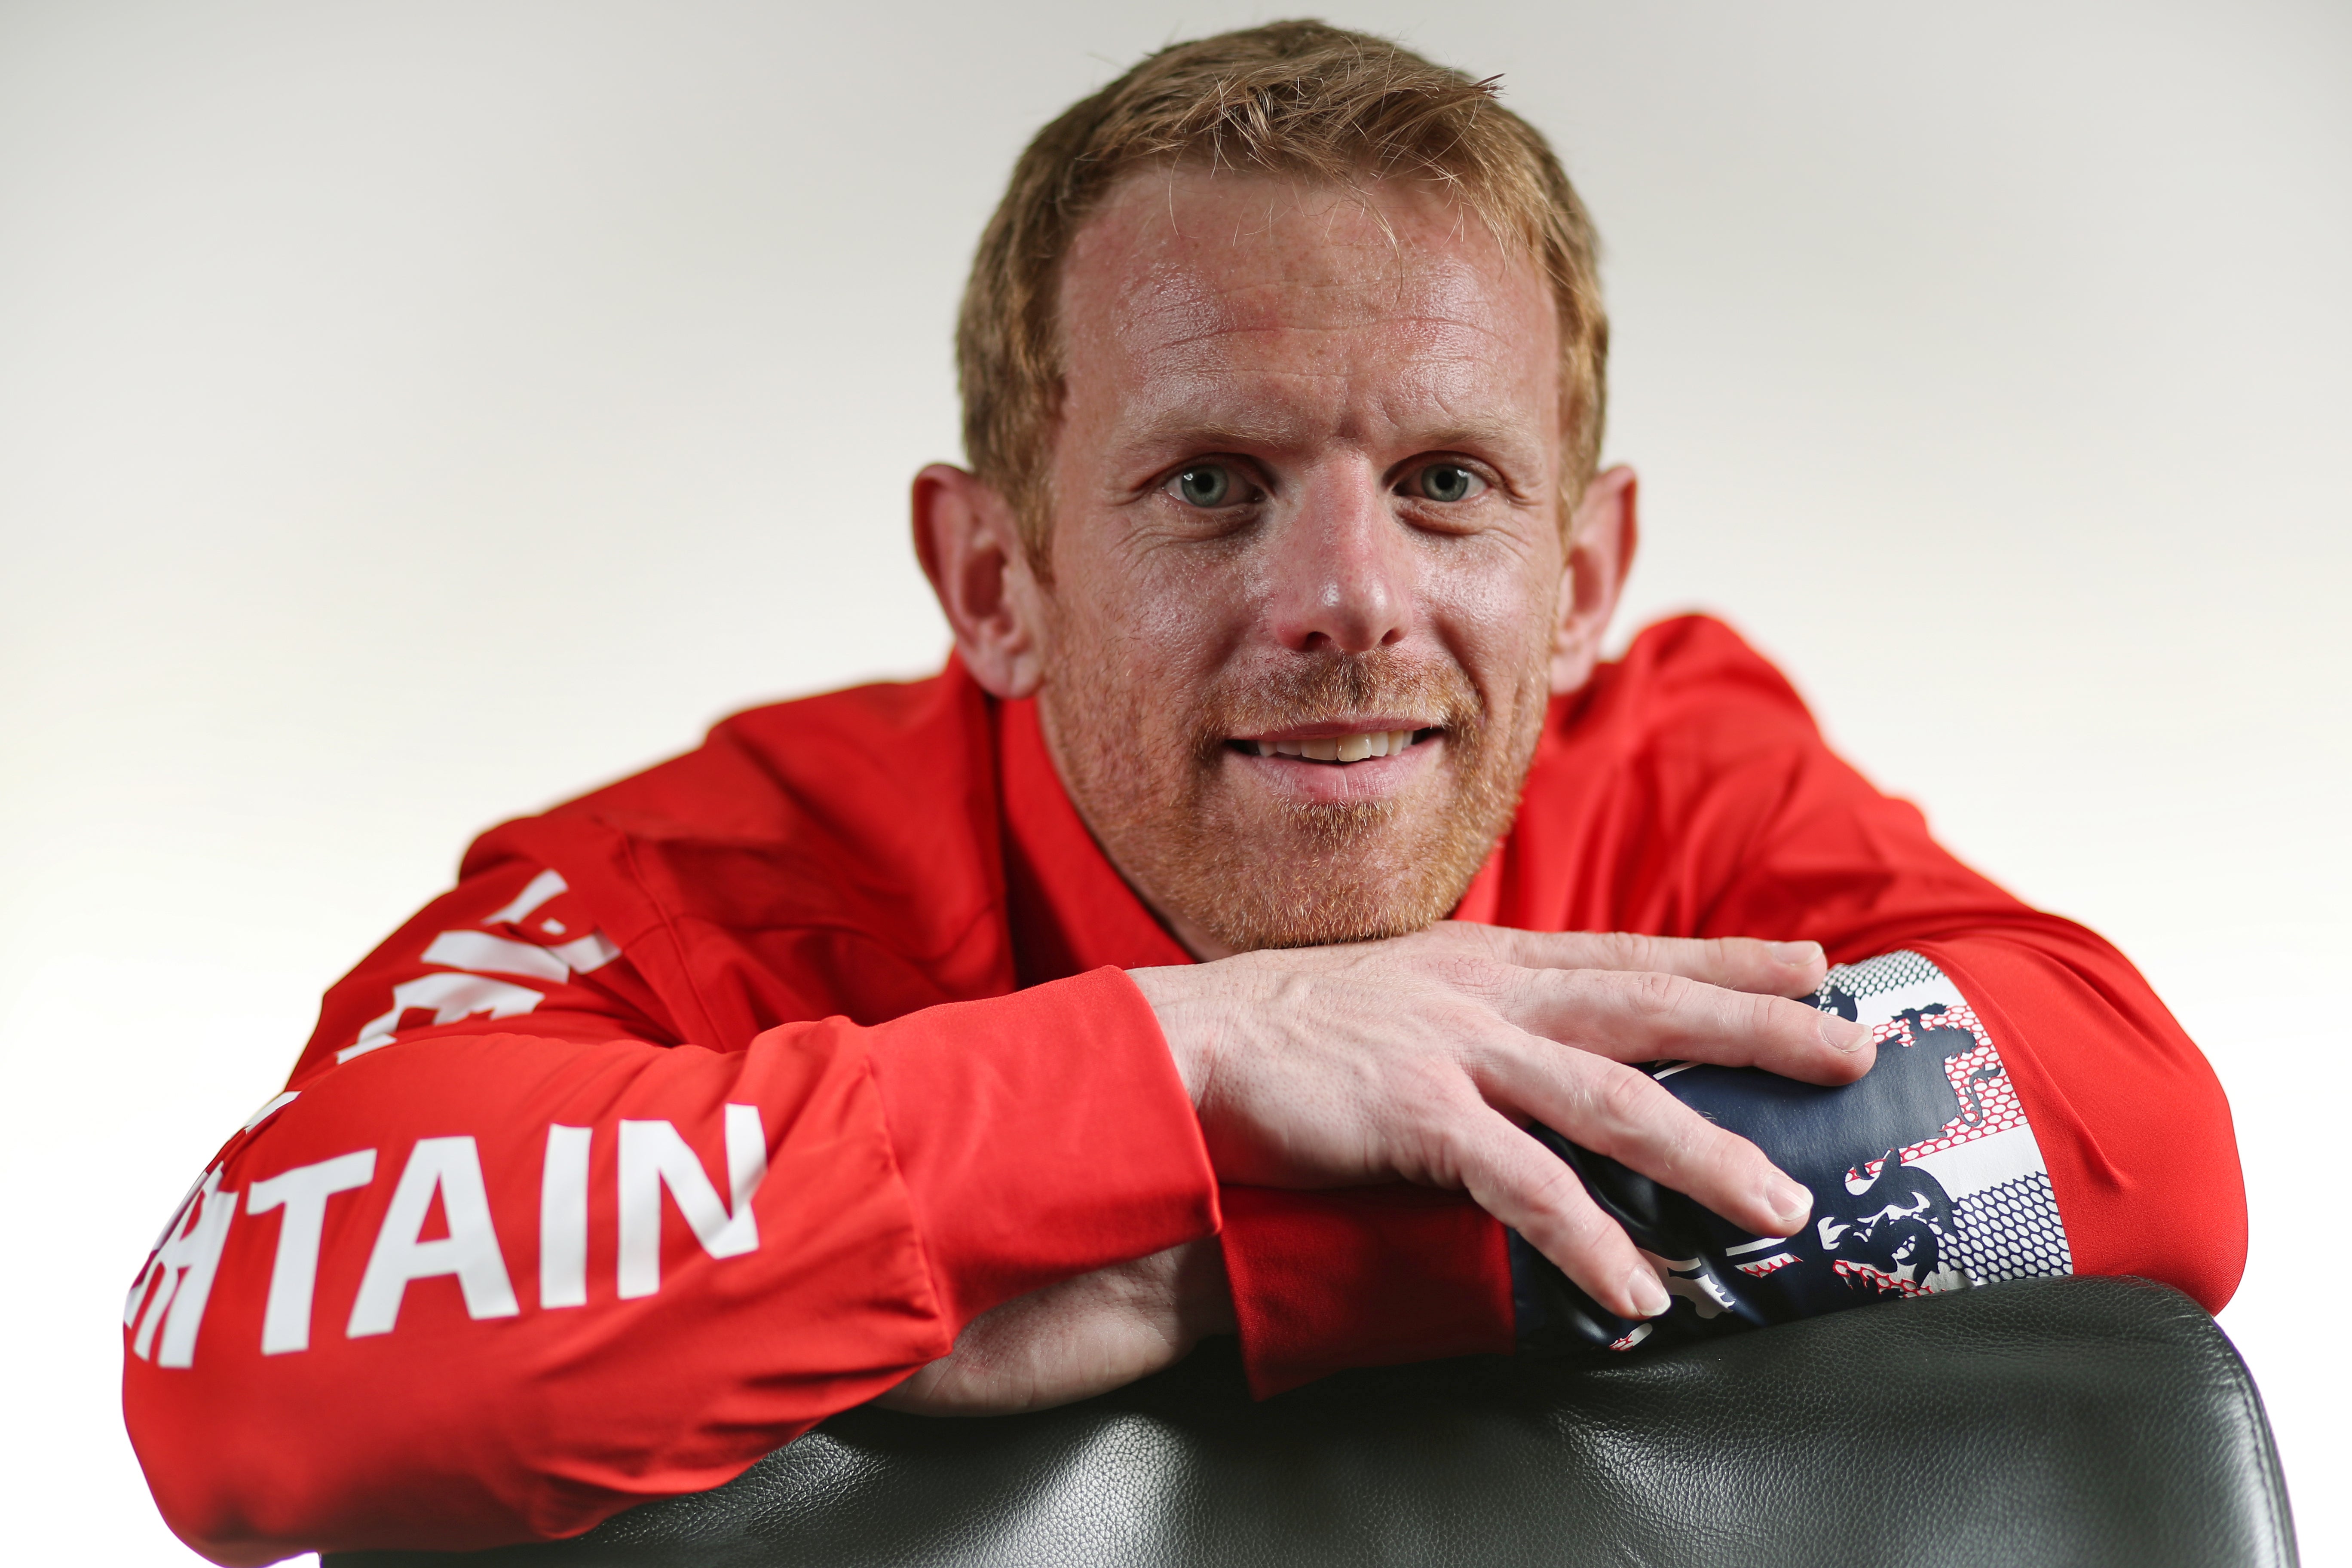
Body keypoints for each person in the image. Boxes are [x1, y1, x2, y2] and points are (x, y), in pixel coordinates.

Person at [120, 20, 2245, 1565]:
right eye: (1211, 484)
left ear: (1584, 576)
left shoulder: (1669, 772)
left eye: (1445, 485)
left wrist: (1208, 1265)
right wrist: (1183, 1059)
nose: (1350, 601)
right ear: (997, 577)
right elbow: (234, 1342)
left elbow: (2136, 1130)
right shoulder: (719, 881)